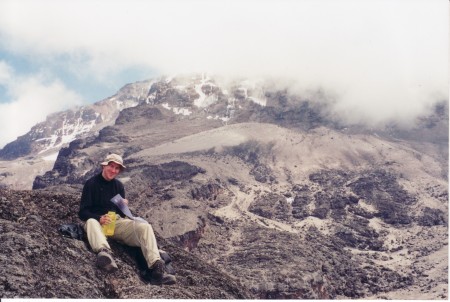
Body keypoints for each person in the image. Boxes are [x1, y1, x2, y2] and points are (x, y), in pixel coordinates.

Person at [79, 153, 176, 285]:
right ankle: (104, 254)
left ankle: (156, 267)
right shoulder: (91, 184)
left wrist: (123, 206)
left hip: (115, 223)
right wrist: (99, 218)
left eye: (117, 168)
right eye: (111, 166)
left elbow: (122, 214)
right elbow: (83, 212)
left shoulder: (118, 186)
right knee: (90, 222)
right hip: (97, 224)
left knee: (144, 226)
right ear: (104, 166)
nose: (113, 170)